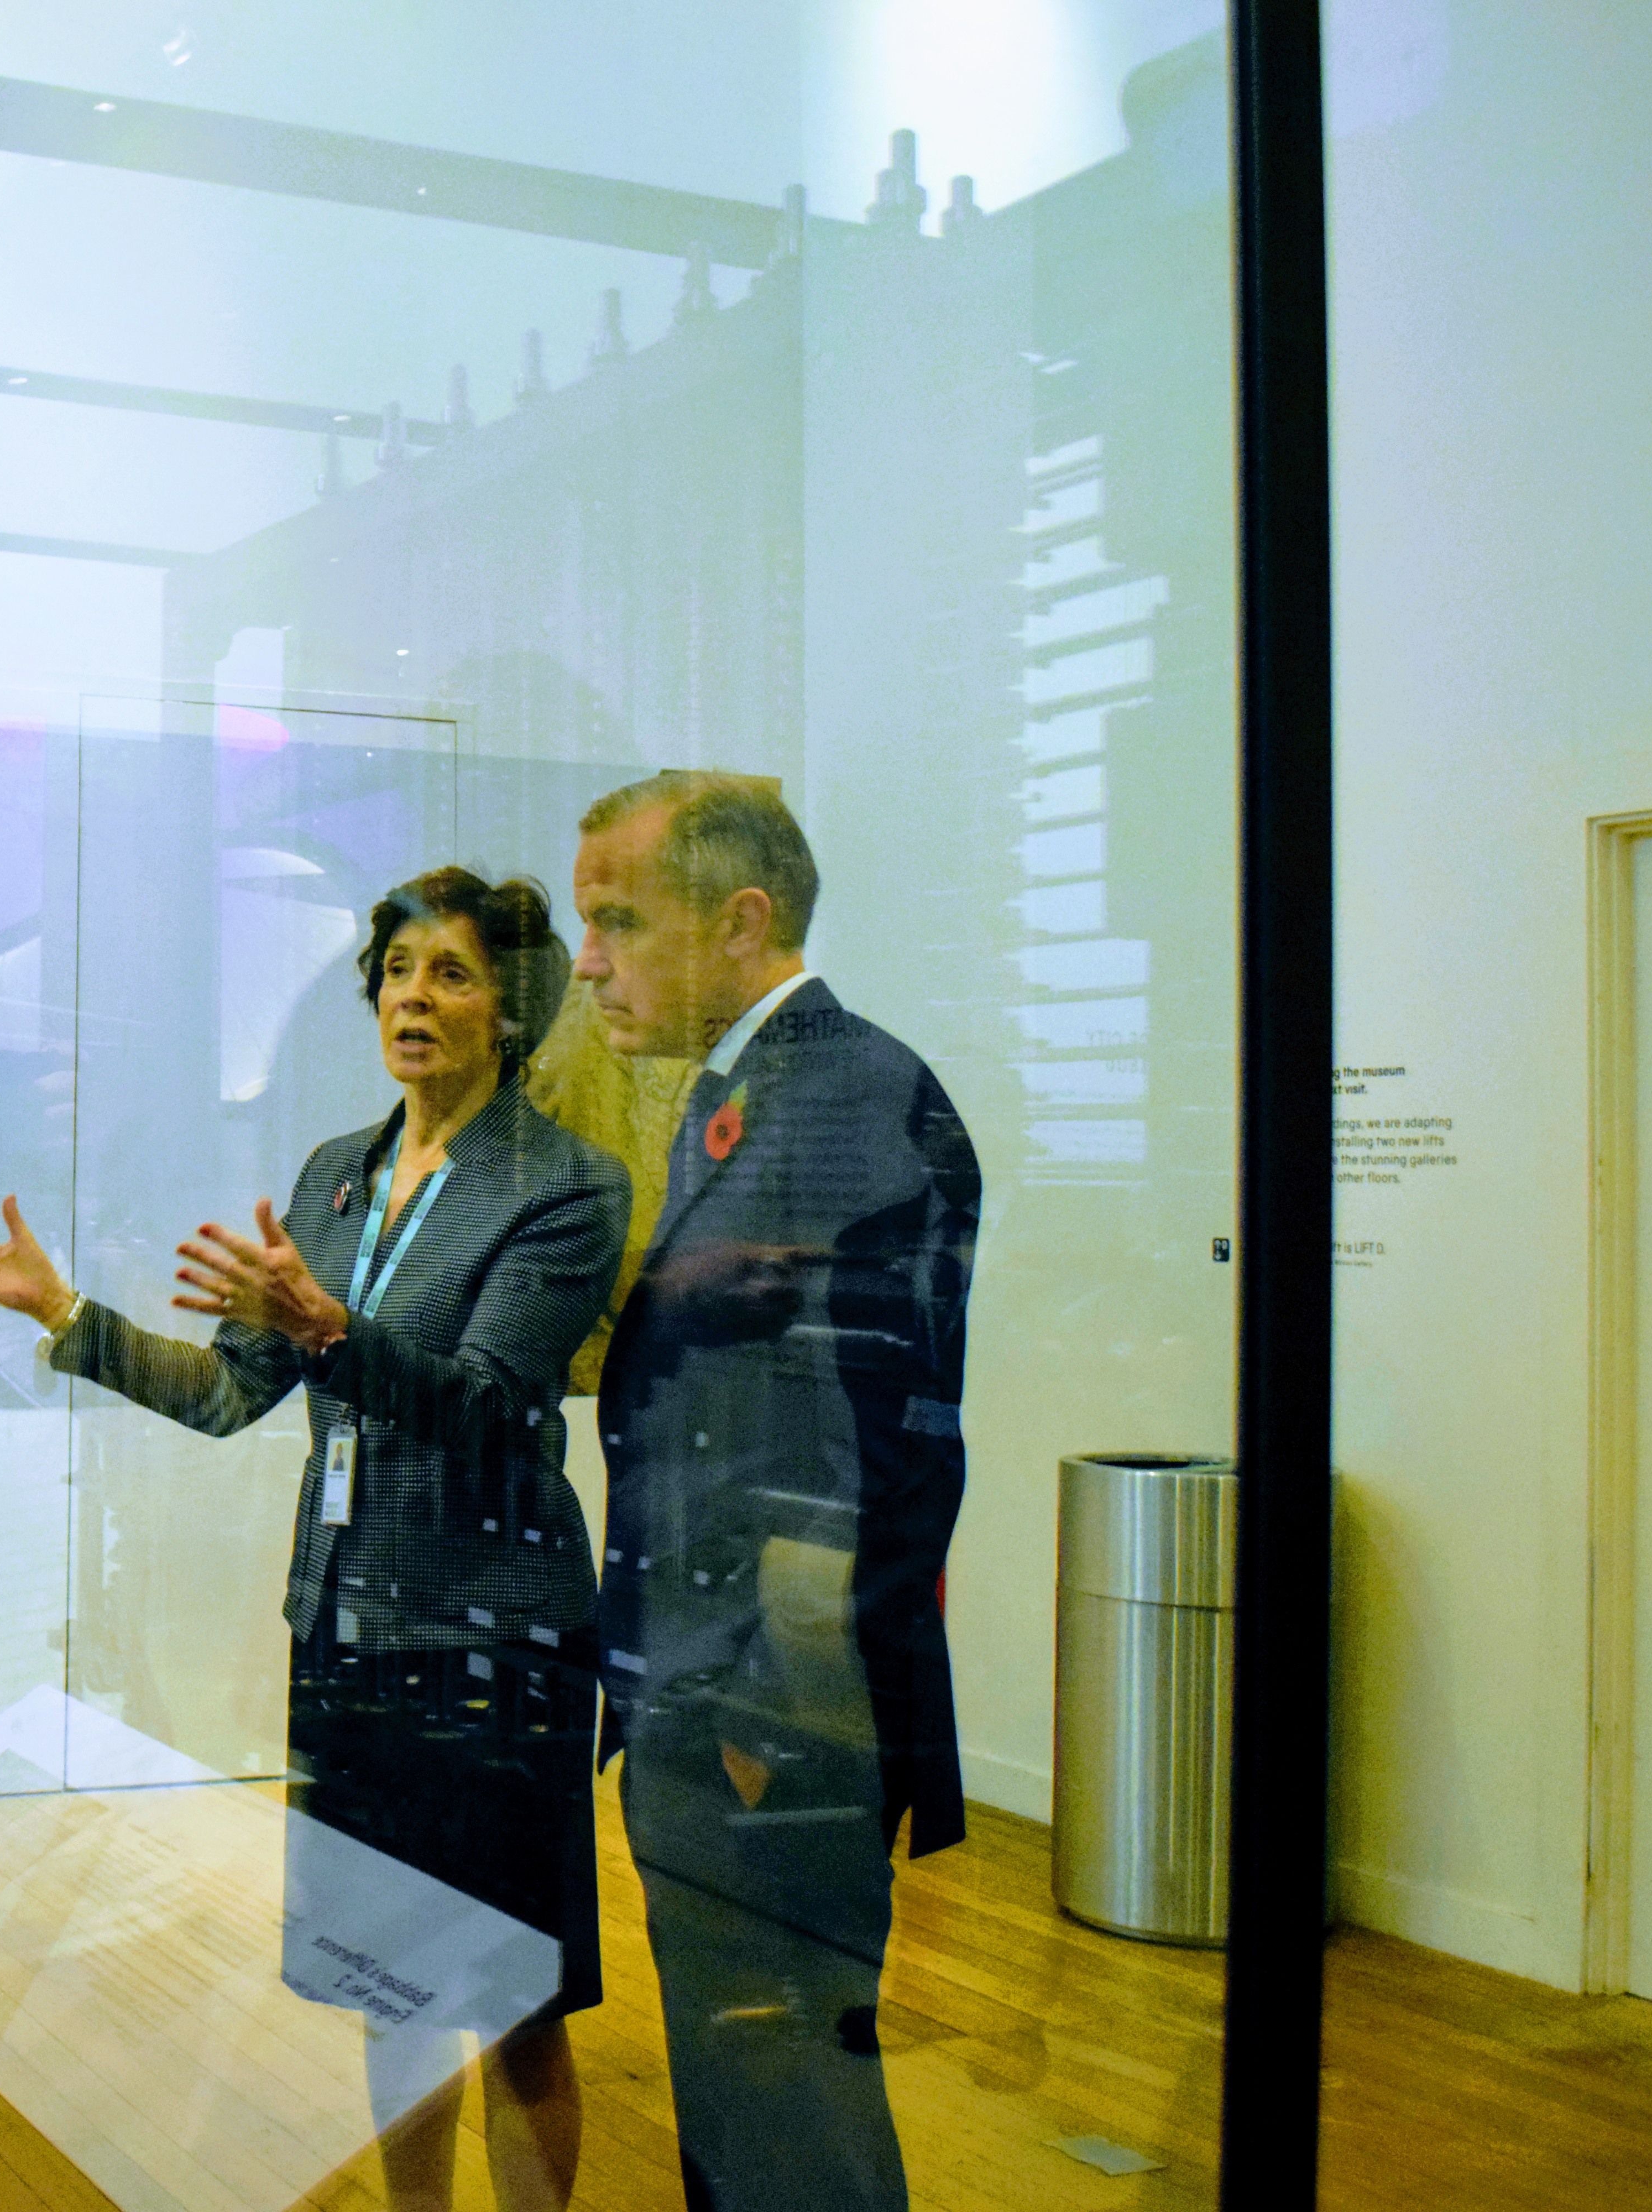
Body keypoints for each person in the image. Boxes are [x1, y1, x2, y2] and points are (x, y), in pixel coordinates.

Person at [0, 867, 629, 2212]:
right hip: (347, 1631)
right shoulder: (336, 1177)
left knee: (517, 2000)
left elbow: (478, 1401)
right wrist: (63, 1312)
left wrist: (327, 1326)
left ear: (511, 1011)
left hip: (491, 1644)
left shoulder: (567, 1186)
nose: (415, 995)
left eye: (452, 973)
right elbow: (234, 1393)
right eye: (399, 969)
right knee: (391, 1985)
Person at [572, 771, 980, 2211]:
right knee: (752, 2110)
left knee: (792, 2113)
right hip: (723, 1715)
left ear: (742, 923)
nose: (588, 960)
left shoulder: (844, 1096)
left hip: (777, 1734)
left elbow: (861, 1464)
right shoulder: (747, 1100)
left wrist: (764, 1724)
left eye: (619, 920)